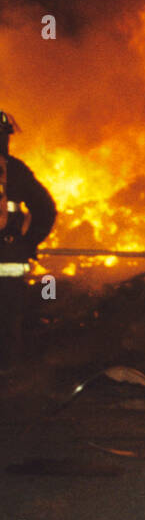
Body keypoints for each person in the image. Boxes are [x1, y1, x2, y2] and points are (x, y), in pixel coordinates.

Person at [0, 110, 56, 370]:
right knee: (8, 335)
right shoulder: (16, 171)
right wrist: (28, 243)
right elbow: (46, 209)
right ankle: (9, 396)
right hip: (9, 272)